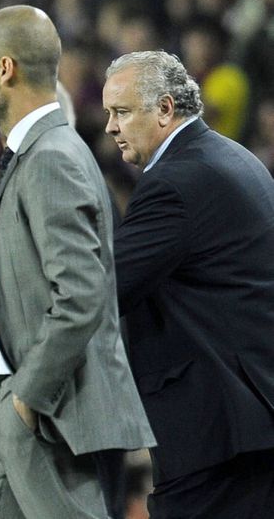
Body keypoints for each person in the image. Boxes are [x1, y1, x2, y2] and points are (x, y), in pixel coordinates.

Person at [0, 5, 155, 519]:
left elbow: (82, 295)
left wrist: (25, 398)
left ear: (6, 69)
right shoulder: (36, 154)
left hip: (48, 415)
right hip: (12, 410)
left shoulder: (52, 158)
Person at [103, 50, 274, 518]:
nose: (111, 127)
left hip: (218, 435)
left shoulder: (175, 183)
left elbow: (104, 290)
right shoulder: (231, 155)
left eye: (122, 112)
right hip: (249, 421)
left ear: (164, 109)